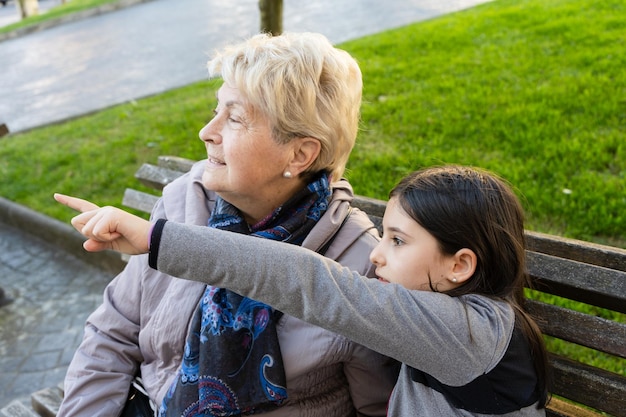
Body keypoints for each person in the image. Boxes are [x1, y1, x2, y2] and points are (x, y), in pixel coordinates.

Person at [55, 32, 398, 417]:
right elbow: (113, 332)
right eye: (217, 109)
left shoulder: (361, 266)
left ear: (300, 154)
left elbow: (381, 408)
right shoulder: (184, 200)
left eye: (233, 118)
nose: (206, 132)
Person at [56, 164, 551, 416]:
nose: (377, 252)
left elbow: (309, 282)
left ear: (461, 265)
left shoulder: (467, 334)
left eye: (397, 241)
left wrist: (154, 238)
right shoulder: (451, 314)